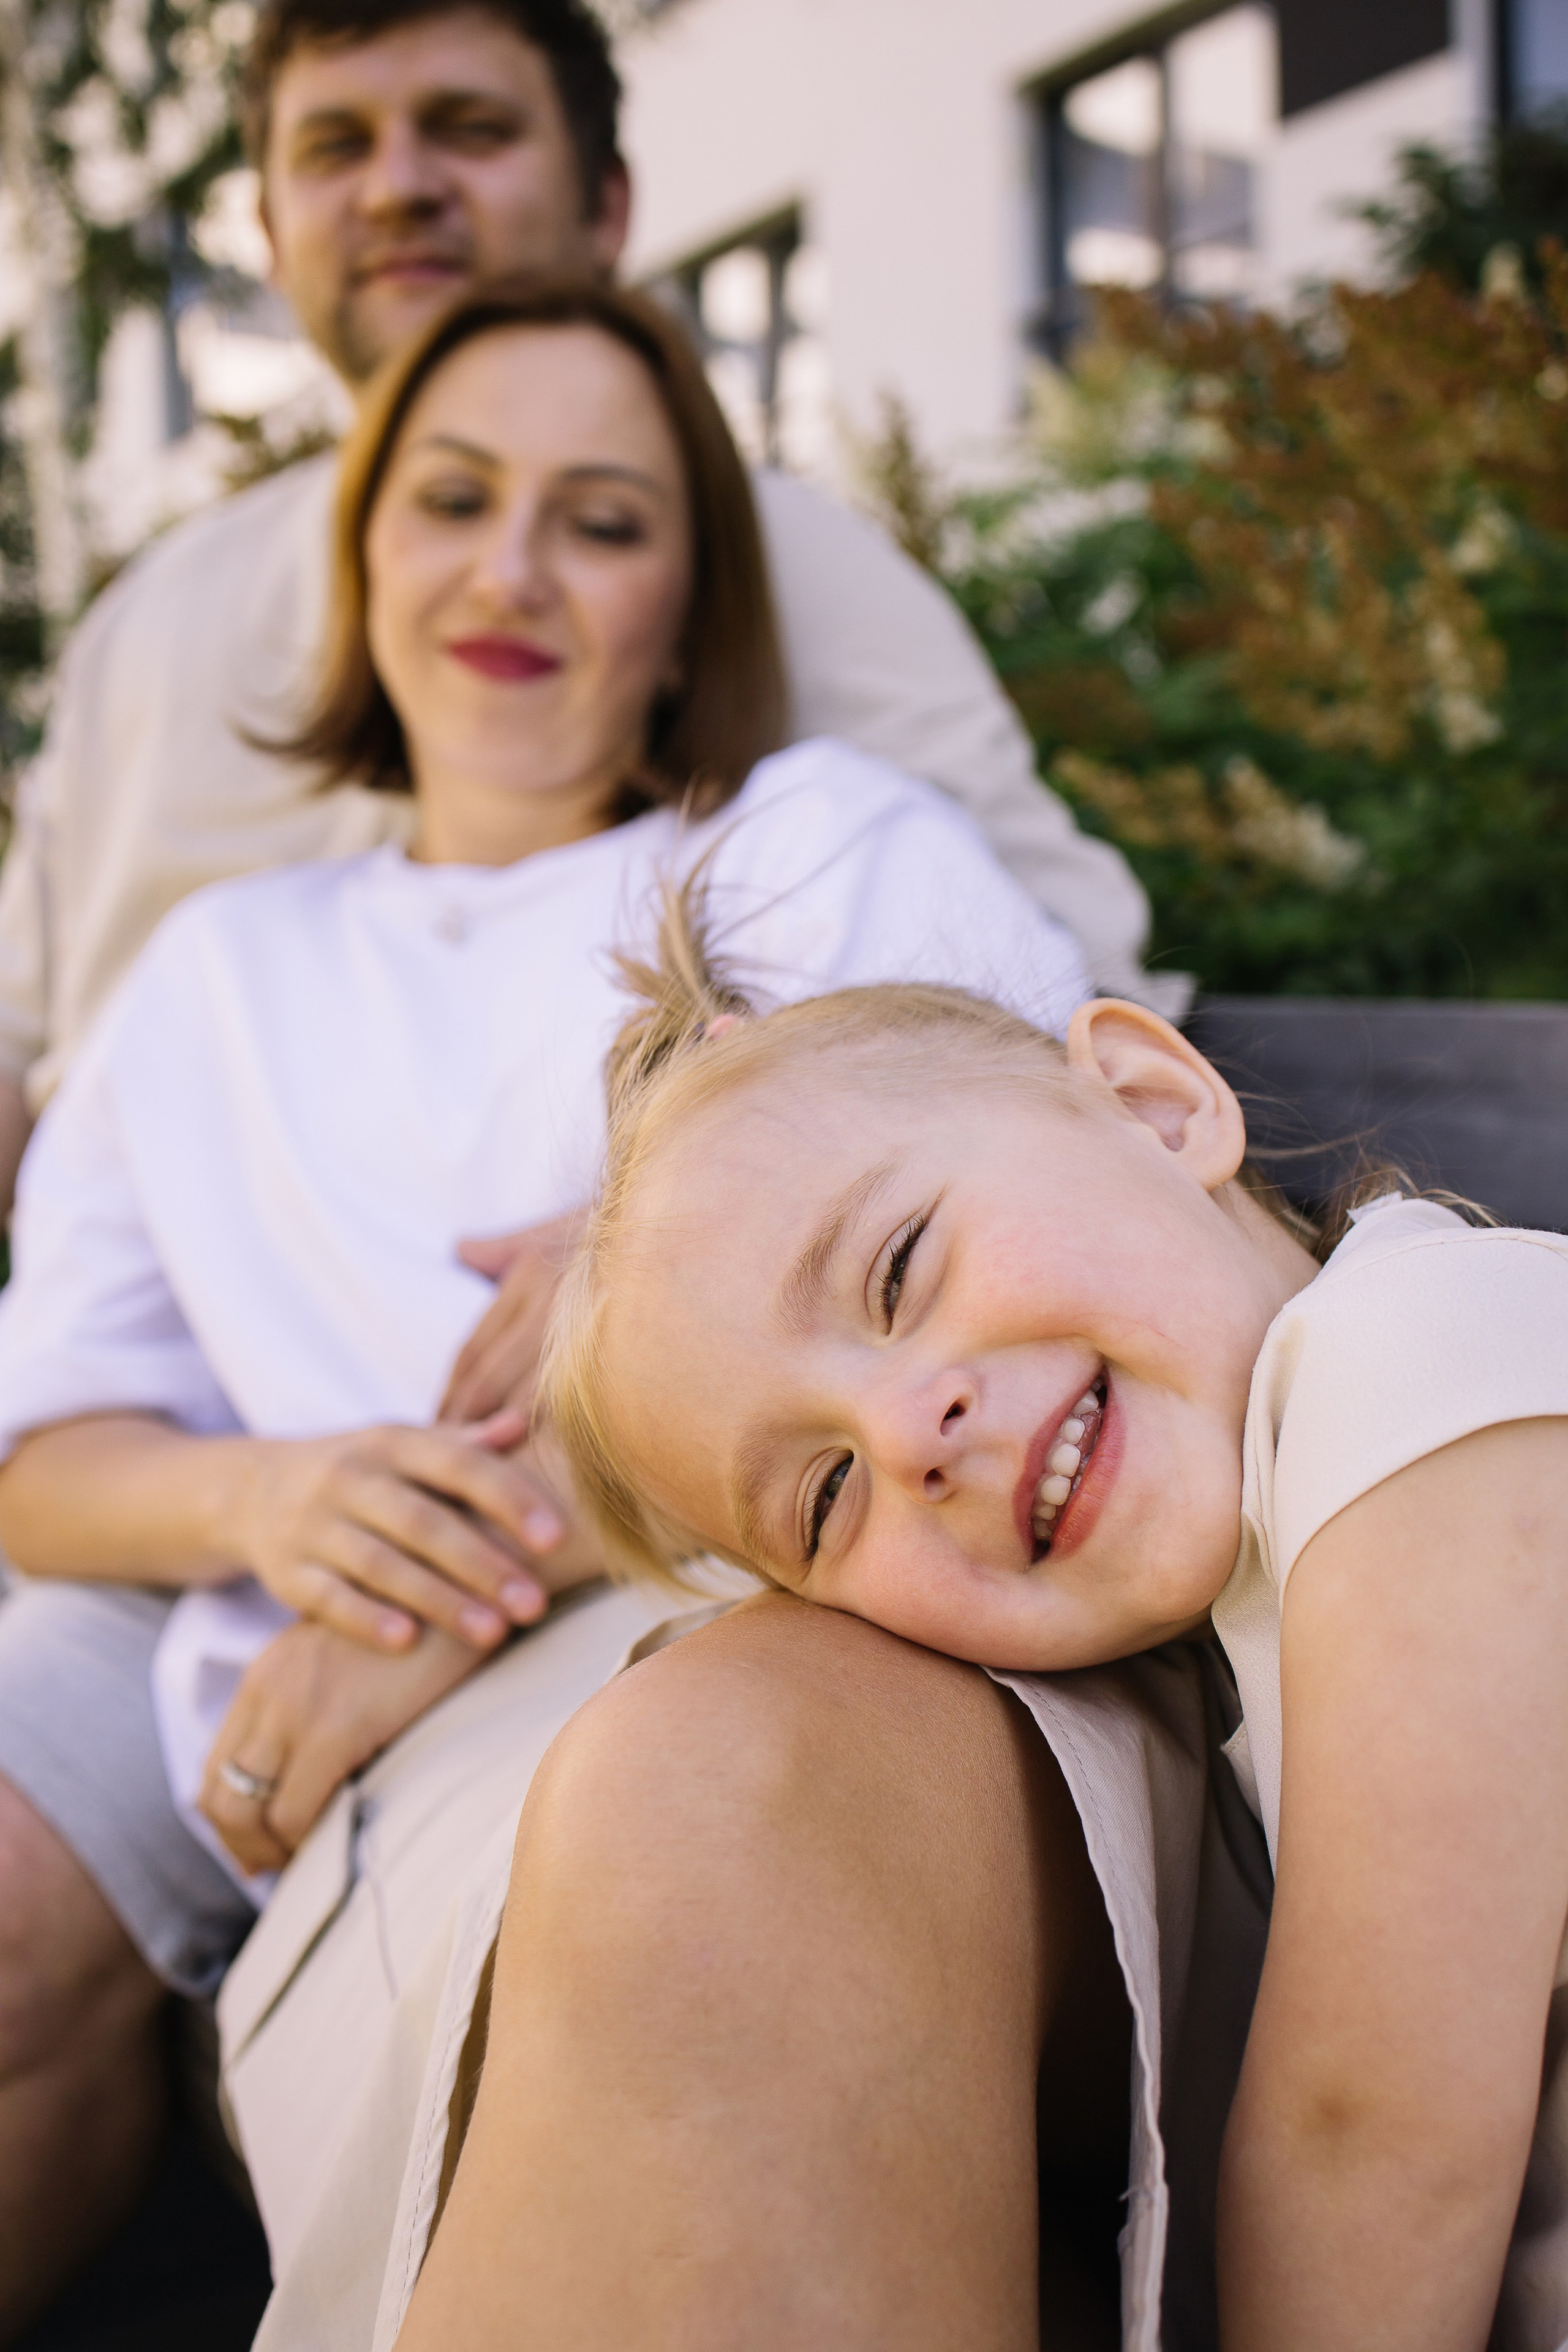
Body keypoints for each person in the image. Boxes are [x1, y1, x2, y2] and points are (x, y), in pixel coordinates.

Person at [0, 277, 1102, 2339]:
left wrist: (507, 1523)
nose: (513, 569)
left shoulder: (820, 849)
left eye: (601, 521)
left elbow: (1070, 1235)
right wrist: (280, 1508)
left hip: (744, 1627)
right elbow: (45, 1455)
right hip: (318, 1686)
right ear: (365, 562)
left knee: (703, 1918)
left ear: (686, 608)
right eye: (452, 501)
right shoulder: (220, 978)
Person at [540, 910, 1568, 2352]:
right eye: (827, 1496)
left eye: (897, 1270)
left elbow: (1373, 2134)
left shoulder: (1419, 1367)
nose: (911, 1435)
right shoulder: (1256, 1589)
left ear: (1155, 1107)